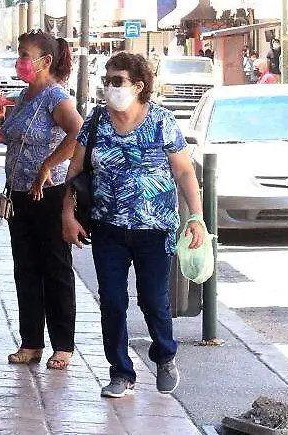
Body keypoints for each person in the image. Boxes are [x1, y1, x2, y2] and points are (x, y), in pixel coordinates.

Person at [61, 53, 206, 399]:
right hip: (107, 226)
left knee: (154, 300)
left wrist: (197, 217)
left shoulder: (161, 121)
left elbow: (184, 172)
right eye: (107, 80)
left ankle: (165, 354)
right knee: (112, 301)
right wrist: (67, 213)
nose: (109, 86)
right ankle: (120, 371)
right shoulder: (96, 120)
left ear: (139, 86)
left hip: (154, 229)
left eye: (118, 81)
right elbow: (76, 170)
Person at [0, 31, 84, 370]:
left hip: (48, 193)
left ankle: (63, 344)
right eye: (19, 52)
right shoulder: (24, 95)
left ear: (45, 61)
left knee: (55, 266)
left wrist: (49, 165)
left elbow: (78, 131)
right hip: (19, 193)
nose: (20, 59)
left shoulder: (54, 96)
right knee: (26, 268)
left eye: (25, 54)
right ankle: (31, 341)